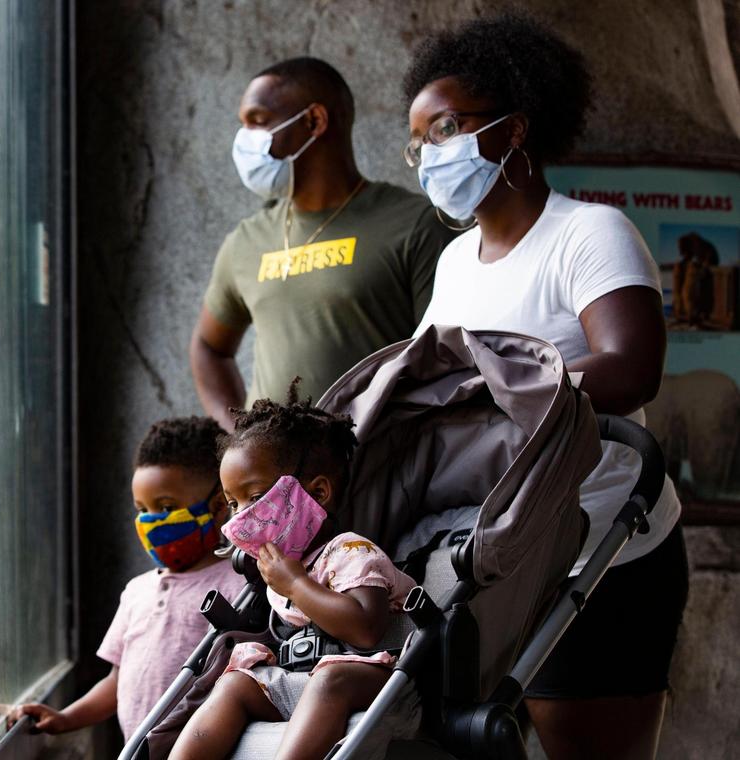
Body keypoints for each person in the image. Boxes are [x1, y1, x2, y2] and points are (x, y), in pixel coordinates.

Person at [402, 14, 687, 759]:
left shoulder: (588, 235)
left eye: (447, 128)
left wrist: (485, 401)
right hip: (492, 551)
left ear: (514, 129)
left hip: (601, 547)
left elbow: (628, 369)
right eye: (420, 140)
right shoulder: (456, 262)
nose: (430, 153)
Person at [191, 57, 455, 430]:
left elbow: (449, 362)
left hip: (376, 472)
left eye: (258, 121)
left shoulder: (416, 225)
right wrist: (237, 435)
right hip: (270, 484)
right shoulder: (246, 241)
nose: (243, 140)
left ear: (314, 121)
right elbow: (208, 348)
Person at [168, 383, 414, 760]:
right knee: (235, 683)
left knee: (332, 678)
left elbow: (366, 629)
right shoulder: (279, 567)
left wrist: (296, 584)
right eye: (233, 504)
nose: (241, 517)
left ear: (317, 493)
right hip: (305, 681)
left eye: (254, 497)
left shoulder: (350, 551)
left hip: (376, 679)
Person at [6, 416, 243, 740]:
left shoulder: (237, 586)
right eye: (142, 509)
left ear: (217, 507)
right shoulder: (136, 592)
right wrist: (65, 718)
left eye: (166, 506)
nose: (150, 521)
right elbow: (117, 681)